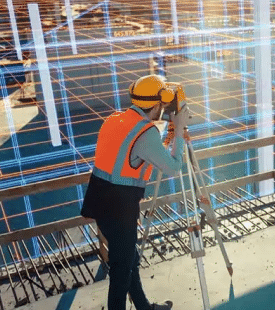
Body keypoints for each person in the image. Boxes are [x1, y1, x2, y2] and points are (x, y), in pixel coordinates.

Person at [81, 75, 189, 310]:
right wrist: (178, 131)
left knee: (130, 259)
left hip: (100, 200)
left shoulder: (115, 119)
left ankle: (143, 307)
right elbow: (173, 168)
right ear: (159, 104)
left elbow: (129, 150)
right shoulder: (146, 133)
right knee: (122, 268)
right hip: (119, 207)